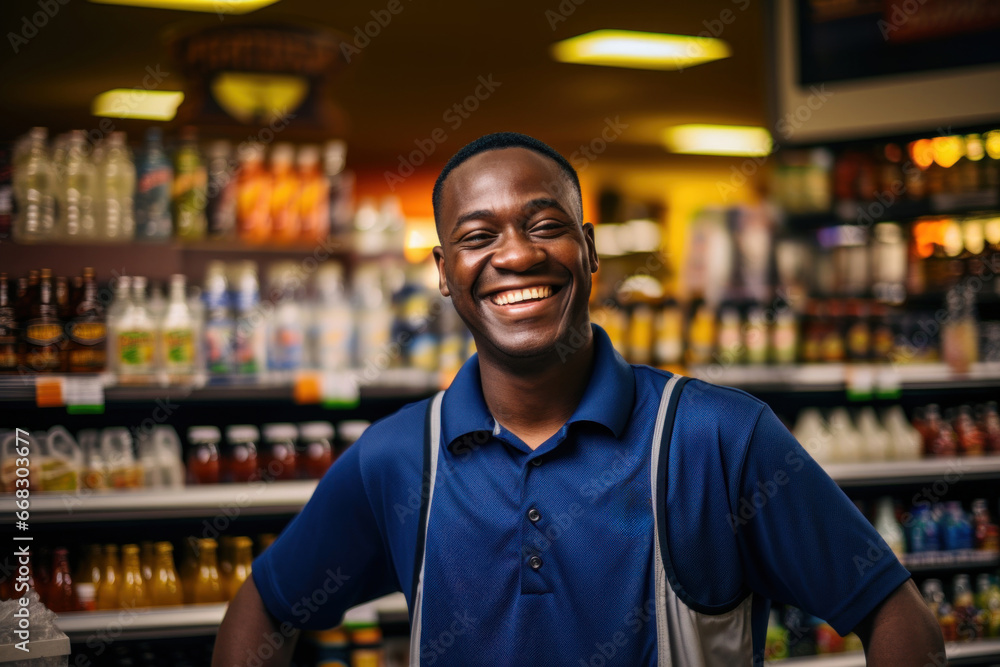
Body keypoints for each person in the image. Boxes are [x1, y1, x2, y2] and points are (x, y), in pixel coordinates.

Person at [213, 132, 944, 666]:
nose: (518, 254)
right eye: (478, 236)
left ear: (589, 249)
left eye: (545, 225)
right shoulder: (401, 458)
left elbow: (895, 614)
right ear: (443, 271)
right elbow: (267, 607)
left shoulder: (716, 438)